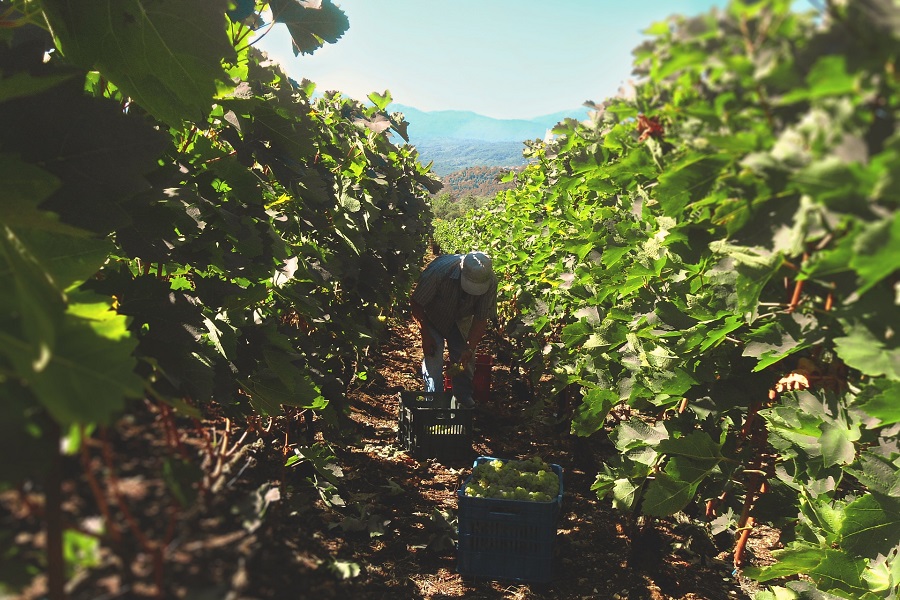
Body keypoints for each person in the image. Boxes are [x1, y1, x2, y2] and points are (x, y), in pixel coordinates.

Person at [410, 251, 497, 408]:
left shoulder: (490, 282)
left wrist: (469, 348)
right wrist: (425, 334)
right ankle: (433, 402)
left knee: (464, 360)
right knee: (434, 357)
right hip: (433, 316)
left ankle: (463, 401)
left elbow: (480, 318)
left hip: (461, 320)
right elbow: (416, 303)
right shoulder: (439, 273)